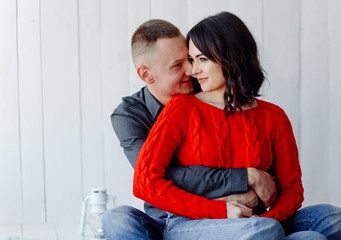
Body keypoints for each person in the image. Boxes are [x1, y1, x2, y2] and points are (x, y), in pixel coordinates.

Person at [132, 12, 341, 240]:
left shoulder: (274, 116)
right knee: (269, 232)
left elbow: (292, 191)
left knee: (331, 219)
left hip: (256, 222)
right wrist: (223, 211)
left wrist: (263, 220)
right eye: (192, 60)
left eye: (202, 59)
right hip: (192, 224)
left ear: (230, 57)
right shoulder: (181, 109)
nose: (193, 71)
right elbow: (145, 184)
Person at [102, 18, 281, 240]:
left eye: (190, 59)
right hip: (168, 216)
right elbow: (152, 177)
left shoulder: (207, 87)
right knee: (116, 219)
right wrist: (244, 177)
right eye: (178, 65)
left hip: (234, 212)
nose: (192, 70)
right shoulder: (129, 115)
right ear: (146, 75)